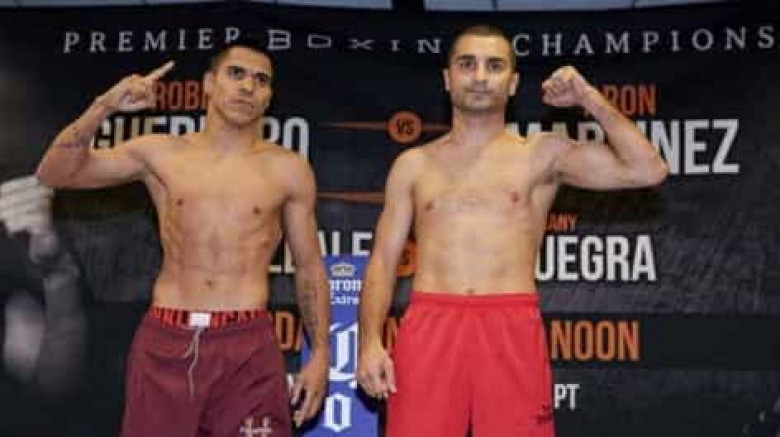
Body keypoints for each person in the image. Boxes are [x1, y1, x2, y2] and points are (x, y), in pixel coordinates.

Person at [356, 24, 669, 437]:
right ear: (448, 78)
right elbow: (382, 260)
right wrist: (369, 342)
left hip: (510, 326)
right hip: (430, 325)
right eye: (467, 64)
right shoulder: (413, 164)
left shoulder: (541, 154)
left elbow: (648, 170)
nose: (480, 76)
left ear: (514, 82)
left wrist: (588, 98)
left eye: (494, 66)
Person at [35, 38, 330, 437]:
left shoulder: (289, 170)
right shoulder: (161, 153)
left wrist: (320, 354)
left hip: (248, 346)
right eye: (236, 74)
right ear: (208, 84)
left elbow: (309, 268)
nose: (248, 86)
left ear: (268, 97)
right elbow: (54, 173)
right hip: (167, 342)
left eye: (261, 80)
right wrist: (103, 106)